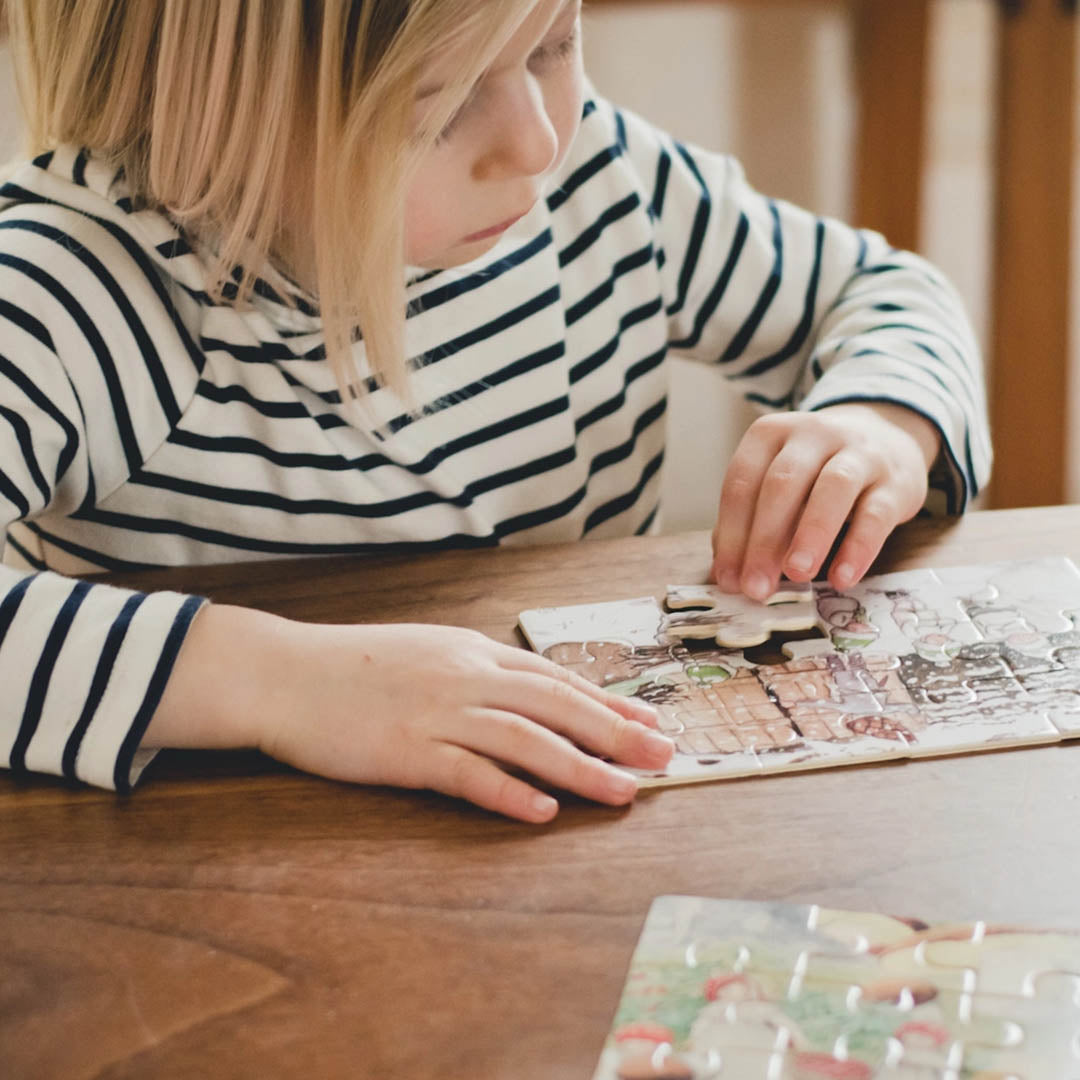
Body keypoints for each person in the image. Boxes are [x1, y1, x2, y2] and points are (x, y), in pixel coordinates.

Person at [0, 0, 990, 822]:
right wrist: (285, 685)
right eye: (437, 108)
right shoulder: (73, 286)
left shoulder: (597, 178)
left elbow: (881, 291)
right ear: (211, 112)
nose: (536, 140)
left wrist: (881, 421)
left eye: (555, 43)